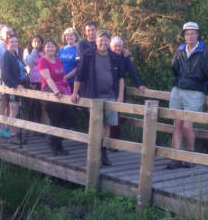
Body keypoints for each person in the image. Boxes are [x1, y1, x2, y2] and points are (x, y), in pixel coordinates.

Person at [167, 22, 208, 169]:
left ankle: (190, 156)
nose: (190, 36)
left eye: (193, 33)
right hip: (178, 90)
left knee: (187, 125)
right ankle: (176, 157)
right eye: (187, 33)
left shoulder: (204, 50)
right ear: (184, 35)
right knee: (177, 124)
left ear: (198, 34)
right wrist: (176, 83)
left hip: (196, 91)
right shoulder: (180, 50)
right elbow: (174, 68)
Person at [71, 30, 125, 166]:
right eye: (101, 39)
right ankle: (94, 154)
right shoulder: (88, 54)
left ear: (109, 42)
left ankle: (103, 153)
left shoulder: (115, 57)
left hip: (110, 95)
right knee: (96, 124)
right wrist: (75, 92)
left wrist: (120, 95)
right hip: (93, 96)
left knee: (106, 125)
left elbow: (121, 78)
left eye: (107, 40)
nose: (104, 42)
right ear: (96, 41)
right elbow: (80, 74)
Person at [38, 39, 74, 155]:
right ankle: (57, 147)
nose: (50, 49)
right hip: (50, 91)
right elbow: (48, 79)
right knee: (55, 119)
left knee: (70, 117)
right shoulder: (43, 61)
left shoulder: (58, 60)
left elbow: (62, 77)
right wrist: (56, 91)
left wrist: (71, 92)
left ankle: (53, 139)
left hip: (62, 90)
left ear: (56, 48)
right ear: (44, 49)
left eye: (52, 46)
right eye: (47, 47)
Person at [109, 36, 146, 141]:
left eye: (120, 46)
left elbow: (132, 72)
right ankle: (105, 141)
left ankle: (114, 141)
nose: (118, 48)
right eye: (115, 46)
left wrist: (139, 85)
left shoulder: (124, 57)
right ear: (110, 46)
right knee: (106, 116)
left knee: (116, 116)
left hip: (119, 91)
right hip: (107, 90)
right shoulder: (107, 56)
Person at [0, 33, 28, 138]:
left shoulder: (15, 54)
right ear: (7, 43)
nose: (14, 43)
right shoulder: (6, 55)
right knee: (13, 108)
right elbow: (4, 74)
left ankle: (10, 130)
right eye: (12, 42)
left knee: (14, 109)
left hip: (17, 85)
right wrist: (15, 85)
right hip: (11, 87)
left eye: (16, 41)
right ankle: (11, 132)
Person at [23, 35, 44, 123]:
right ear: (31, 43)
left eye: (39, 41)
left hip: (41, 81)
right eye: (34, 41)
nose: (37, 43)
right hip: (30, 81)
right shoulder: (27, 51)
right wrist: (34, 50)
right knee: (30, 104)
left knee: (39, 104)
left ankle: (38, 124)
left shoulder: (44, 53)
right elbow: (28, 62)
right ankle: (30, 125)